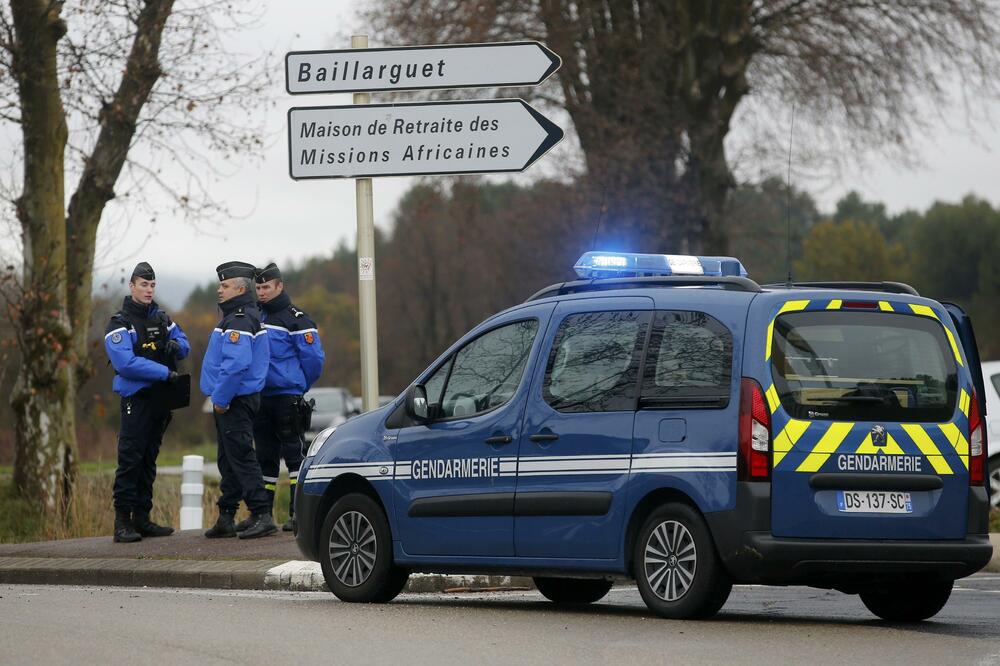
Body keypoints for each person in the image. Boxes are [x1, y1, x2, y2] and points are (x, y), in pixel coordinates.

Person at [105, 262, 190, 543]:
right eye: (144, 285)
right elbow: (125, 363)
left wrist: (177, 346)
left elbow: (184, 342)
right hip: (137, 399)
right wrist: (164, 372)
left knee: (149, 460)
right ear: (132, 286)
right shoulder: (120, 323)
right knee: (131, 460)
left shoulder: (162, 319)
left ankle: (142, 518)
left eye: (152, 285)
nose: (149, 290)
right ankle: (122, 522)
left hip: (160, 401)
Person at [245, 262, 325, 533]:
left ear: (280, 286)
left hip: (287, 396)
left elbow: (314, 360)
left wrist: (298, 385)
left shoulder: (297, 319)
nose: (261, 292)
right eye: (258, 288)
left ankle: (297, 515)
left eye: (266, 287)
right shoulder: (254, 316)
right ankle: (263, 516)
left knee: (294, 456)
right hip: (260, 397)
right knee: (264, 458)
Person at [201, 261, 276, 539]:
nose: (219, 290)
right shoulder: (237, 316)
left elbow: (235, 365)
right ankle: (227, 515)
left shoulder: (240, 320)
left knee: (241, 456)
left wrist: (220, 398)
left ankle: (261, 514)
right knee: (228, 458)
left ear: (240, 288)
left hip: (234, 399)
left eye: (224, 285)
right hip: (234, 397)